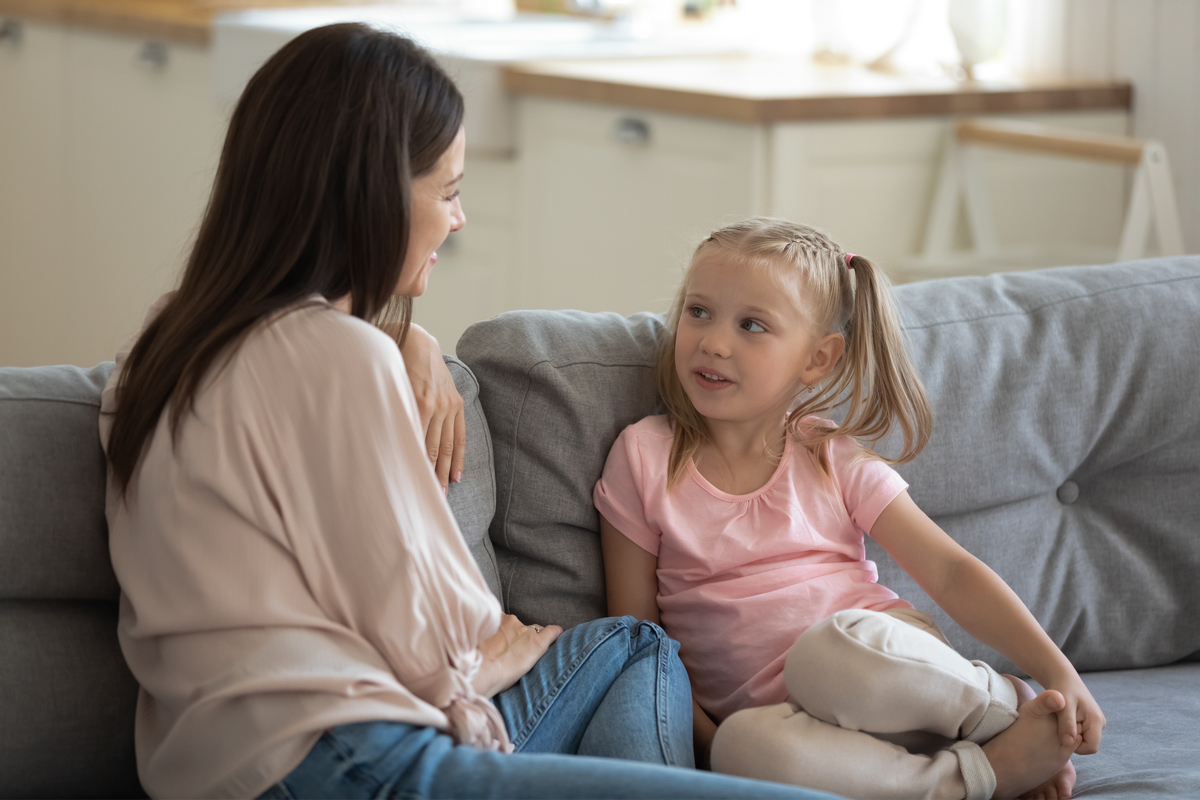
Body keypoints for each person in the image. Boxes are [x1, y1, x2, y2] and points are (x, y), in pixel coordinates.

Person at [99, 24, 848, 800]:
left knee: (631, 643)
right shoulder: (334, 358)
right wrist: (492, 646)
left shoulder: (162, 345)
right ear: (376, 192)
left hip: (223, 767)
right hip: (347, 761)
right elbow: (437, 636)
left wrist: (404, 337)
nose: (458, 222)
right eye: (449, 192)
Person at [594, 218, 1106, 800]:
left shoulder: (826, 452)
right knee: (740, 746)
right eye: (698, 311)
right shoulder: (642, 456)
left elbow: (950, 571)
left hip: (878, 672)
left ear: (817, 359)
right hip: (810, 736)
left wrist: (1059, 673)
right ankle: (977, 777)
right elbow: (639, 639)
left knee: (825, 653)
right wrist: (707, 746)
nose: (713, 341)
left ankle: (1001, 712)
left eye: (752, 325)